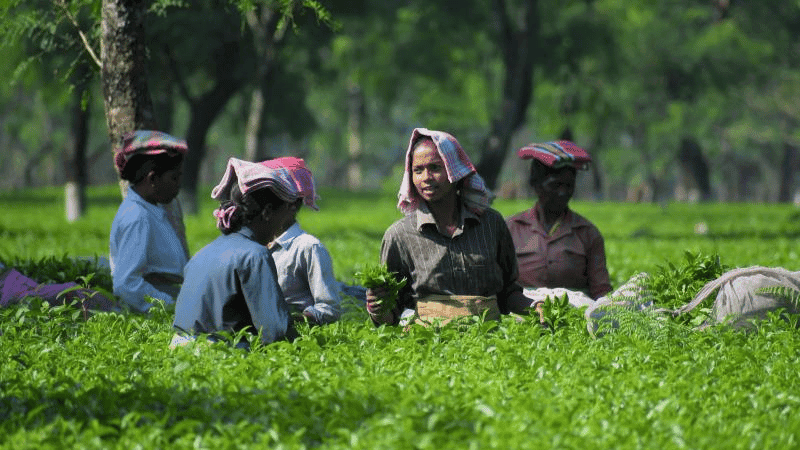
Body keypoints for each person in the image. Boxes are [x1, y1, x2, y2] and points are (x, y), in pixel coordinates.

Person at [366, 128, 539, 326]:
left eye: (435, 168)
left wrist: (536, 307)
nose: (426, 177)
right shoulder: (399, 235)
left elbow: (508, 292)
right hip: (428, 343)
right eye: (418, 170)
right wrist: (378, 308)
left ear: (454, 170)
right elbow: (390, 316)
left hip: (490, 342)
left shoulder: (491, 224)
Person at [172, 157, 297, 347]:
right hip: (218, 355)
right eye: (283, 216)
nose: (281, 225)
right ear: (268, 212)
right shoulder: (255, 255)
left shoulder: (201, 254)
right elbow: (276, 332)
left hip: (177, 351)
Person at [505, 140, 612, 302]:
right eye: (555, 185)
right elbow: (496, 284)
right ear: (536, 184)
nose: (563, 192)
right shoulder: (511, 228)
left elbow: (601, 290)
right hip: (522, 310)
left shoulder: (587, 233)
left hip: (575, 312)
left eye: (569, 186)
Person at [109, 130, 189, 312]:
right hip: (155, 310)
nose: (178, 184)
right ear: (153, 178)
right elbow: (126, 283)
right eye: (174, 178)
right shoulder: (137, 216)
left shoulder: (155, 209)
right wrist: (169, 306)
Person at [265, 157, 343, 325]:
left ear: (292, 204)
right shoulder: (254, 243)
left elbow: (330, 309)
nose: (264, 204)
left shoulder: (308, 247)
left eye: (271, 196)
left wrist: (291, 320)